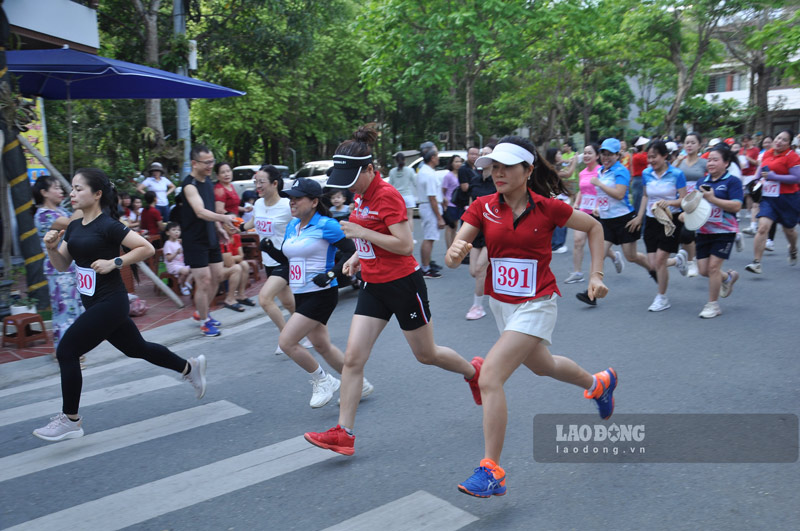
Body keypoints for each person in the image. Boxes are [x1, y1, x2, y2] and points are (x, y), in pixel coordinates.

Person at [442, 138, 615, 498]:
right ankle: (598, 384)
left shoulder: (549, 208)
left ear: (528, 170)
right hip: (502, 304)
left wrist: (596, 275)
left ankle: (492, 470)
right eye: (494, 166)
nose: (498, 173)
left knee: (490, 376)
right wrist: (455, 253)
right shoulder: (482, 207)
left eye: (506, 166)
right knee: (543, 365)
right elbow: (453, 257)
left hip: (537, 302)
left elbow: (594, 228)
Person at [303, 125, 480, 456]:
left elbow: (404, 245)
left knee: (426, 354)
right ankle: (344, 433)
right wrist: (357, 256)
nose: (348, 186)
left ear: (370, 169)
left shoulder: (387, 195)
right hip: (373, 286)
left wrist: (361, 235)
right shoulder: (360, 195)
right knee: (353, 359)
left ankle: (474, 372)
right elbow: (372, 234)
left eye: (353, 178)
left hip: (402, 284)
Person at [34, 168, 206, 442]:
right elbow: (62, 265)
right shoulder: (74, 226)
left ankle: (71, 420)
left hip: (111, 302)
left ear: (97, 194)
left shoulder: (108, 225)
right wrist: (52, 248)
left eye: (78, 188)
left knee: (67, 351)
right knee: (137, 348)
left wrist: (114, 262)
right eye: (72, 188)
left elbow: (145, 248)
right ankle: (189, 368)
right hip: (94, 303)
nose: (72, 194)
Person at [264, 178, 371, 408]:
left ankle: (323, 380)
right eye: (290, 198)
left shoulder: (327, 225)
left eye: (297, 198)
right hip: (301, 293)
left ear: (314, 202)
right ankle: (359, 383)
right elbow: (290, 259)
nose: (292, 202)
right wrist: (271, 251)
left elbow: (352, 252)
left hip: (321, 293)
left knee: (287, 342)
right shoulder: (293, 226)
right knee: (322, 345)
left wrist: (331, 274)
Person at [576, 138, 652, 306]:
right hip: (606, 221)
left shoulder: (621, 171)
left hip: (624, 219)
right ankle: (591, 294)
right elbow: (602, 196)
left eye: (610, 154)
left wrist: (599, 184)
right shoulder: (601, 171)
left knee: (631, 256)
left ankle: (652, 269)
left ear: (617, 155)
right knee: (598, 256)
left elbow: (619, 194)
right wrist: (598, 206)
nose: (606, 157)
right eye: (603, 153)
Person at [243, 165, 303, 355]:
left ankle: (287, 339)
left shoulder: (287, 205)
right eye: (256, 182)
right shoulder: (258, 204)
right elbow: (253, 222)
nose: (257, 186)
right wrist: (238, 227)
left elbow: (305, 221)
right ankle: (309, 329)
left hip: (286, 259)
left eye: (261, 182)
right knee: (288, 303)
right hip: (268, 260)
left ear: (275, 183)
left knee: (265, 298)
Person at [181, 144, 236, 337]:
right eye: (206, 162)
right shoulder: (189, 186)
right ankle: (204, 322)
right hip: (194, 241)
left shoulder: (208, 183)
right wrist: (224, 218)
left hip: (210, 236)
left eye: (212, 161)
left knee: (218, 276)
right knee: (203, 281)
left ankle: (201, 312)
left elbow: (210, 210)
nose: (210, 165)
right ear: (194, 163)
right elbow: (200, 211)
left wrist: (218, 228)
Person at [683, 146, 743, 318]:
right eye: (709, 160)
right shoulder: (702, 182)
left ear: (726, 163)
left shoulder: (732, 182)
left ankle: (713, 305)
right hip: (704, 231)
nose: (710, 163)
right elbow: (696, 205)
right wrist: (685, 214)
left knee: (713, 267)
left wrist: (713, 199)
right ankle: (728, 278)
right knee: (704, 270)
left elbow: (737, 206)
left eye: (715, 160)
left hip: (725, 231)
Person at [627, 141, 688, 311]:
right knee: (653, 265)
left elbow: (684, 200)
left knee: (660, 260)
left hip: (670, 220)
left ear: (665, 156)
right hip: (651, 220)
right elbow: (645, 196)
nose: (651, 161)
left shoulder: (677, 174)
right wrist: (639, 217)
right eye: (649, 157)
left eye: (654, 157)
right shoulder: (646, 173)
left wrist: (669, 203)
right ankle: (677, 260)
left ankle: (662, 297)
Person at [32, 175, 84, 348]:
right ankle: (63, 350)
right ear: (44, 192)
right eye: (56, 188)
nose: (61, 191)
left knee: (75, 309)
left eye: (60, 188)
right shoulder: (44, 215)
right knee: (64, 311)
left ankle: (73, 348)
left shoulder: (61, 210)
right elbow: (72, 223)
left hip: (71, 266)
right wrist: (82, 200)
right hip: (58, 269)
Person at [746, 130, 800, 274]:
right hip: (769, 198)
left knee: (789, 230)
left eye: (784, 140)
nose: (779, 141)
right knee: (763, 227)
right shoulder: (768, 153)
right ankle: (756, 263)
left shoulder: (792, 156)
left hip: (788, 199)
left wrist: (775, 176)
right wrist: (755, 181)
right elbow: (761, 170)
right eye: (778, 138)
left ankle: (793, 248)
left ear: (789, 143)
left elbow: (797, 178)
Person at [565, 143, 621, 284]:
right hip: (583, 211)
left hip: (597, 213)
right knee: (578, 241)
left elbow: (603, 191)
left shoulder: (601, 172)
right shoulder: (582, 173)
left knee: (596, 244)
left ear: (597, 156)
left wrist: (597, 206)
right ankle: (577, 273)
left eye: (590, 153)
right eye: (585, 153)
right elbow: (581, 190)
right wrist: (576, 203)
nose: (586, 155)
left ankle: (614, 256)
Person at [464, 150, 498, 320]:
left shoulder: (499, 181)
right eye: (481, 153)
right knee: (473, 271)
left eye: (487, 153)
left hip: (494, 230)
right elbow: (472, 205)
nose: (483, 156)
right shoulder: (475, 180)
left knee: (479, 269)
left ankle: (477, 307)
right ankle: (496, 277)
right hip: (477, 230)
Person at [675, 133, 707, 277]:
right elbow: (670, 174)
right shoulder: (680, 162)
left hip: (697, 201)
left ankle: (691, 261)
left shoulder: (704, 163)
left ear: (699, 145)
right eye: (687, 142)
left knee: (687, 233)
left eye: (693, 142)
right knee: (684, 235)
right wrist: (676, 162)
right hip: (681, 201)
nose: (689, 145)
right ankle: (690, 259)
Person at [416, 141, 445, 278]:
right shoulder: (428, 174)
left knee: (429, 238)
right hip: (429, 207)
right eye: (437, 155)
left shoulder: (424, 171)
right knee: (429, 238)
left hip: (426, 206)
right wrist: (439, 217)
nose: (438, 158)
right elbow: (432, 197)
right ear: (432, 158)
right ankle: (426, 268)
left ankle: (427, 265)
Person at [219, 219, 253, 312]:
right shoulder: (222, 239)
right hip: (219, 269)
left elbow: (241, 256)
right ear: (222, 227)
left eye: (234, 224)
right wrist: (234, 258)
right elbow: (228, 263)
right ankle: (230, 298)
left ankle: (240, 295)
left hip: (229, 265)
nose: (232, 227)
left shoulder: (236, 236)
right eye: (229, 224)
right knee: (237, 268)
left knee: (244, 264)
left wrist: (232, 258)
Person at [545, 148, 572, 253]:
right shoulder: (552, 168)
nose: (561, 155)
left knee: (555, 221)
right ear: (554, 155)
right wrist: (574, 161)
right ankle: (557, 245)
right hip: (555, 197)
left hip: (555, 197)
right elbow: (568, 174)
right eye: (559, 153)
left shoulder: (551, 166)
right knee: (561, 221)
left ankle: (554, 244)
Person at [388, 153, 417, 236]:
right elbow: (415, 182)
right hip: (408, 196)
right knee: (409, 218)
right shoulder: (410, 170)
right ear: (404, 160)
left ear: (396, 161)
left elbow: (390, 185)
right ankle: (411, 237)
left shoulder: (392, 171)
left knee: (398, 219)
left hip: (397, 198)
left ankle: (400, 236)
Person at [163, 221, 192, 295]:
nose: (177, 232)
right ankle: (184, 286)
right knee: (186, 271)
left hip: (181, 264)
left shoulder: (177, 242)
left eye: (178, 230)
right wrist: (176, 253)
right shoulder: (168, 244)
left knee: (195, 268)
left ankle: (183, 281)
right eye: (174, 230)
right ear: (167, 233)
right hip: (173, 266)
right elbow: (168, 258)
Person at [442, 154, 464, 250]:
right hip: (450, 204)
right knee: (450, 227)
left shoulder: (462, 174)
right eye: (456, 161)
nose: (458, 163)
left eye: (460, 161)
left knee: (455, 227)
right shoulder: (448, 175)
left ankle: (453, 247)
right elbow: (443, 191)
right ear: (451, 163)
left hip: (459, 204)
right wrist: (444, 204)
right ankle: (449, 248)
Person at [630, 136, 650, 212]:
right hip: (639, 180)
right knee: (639, 204)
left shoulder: (637, 155)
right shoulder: (638, 156)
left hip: (641, 180)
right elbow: (647, 159)